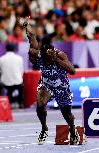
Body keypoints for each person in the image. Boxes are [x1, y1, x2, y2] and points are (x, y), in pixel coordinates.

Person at [22, 17, 79, 145]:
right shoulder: (37, 54)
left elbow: (72, 71)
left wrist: (56, 60)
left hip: (61, 86)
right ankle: (44, 128)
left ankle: (72, 129)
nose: (48, 61)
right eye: (47, 59)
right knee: (40, 104)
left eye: (50, 58)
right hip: (46, 84)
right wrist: (27, 25)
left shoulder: (59, 55)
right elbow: (31, 36)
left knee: (67, 114)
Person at [0, 43, 24, 109]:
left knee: (8, 88)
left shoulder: (1, 59)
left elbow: (0, 71)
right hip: (17, 82)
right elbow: (21, 71)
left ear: (6, 49)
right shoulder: (19, 58)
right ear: (14, 49)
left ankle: (6, 103)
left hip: (5, 82)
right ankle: (20, 103)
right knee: (21, 84)